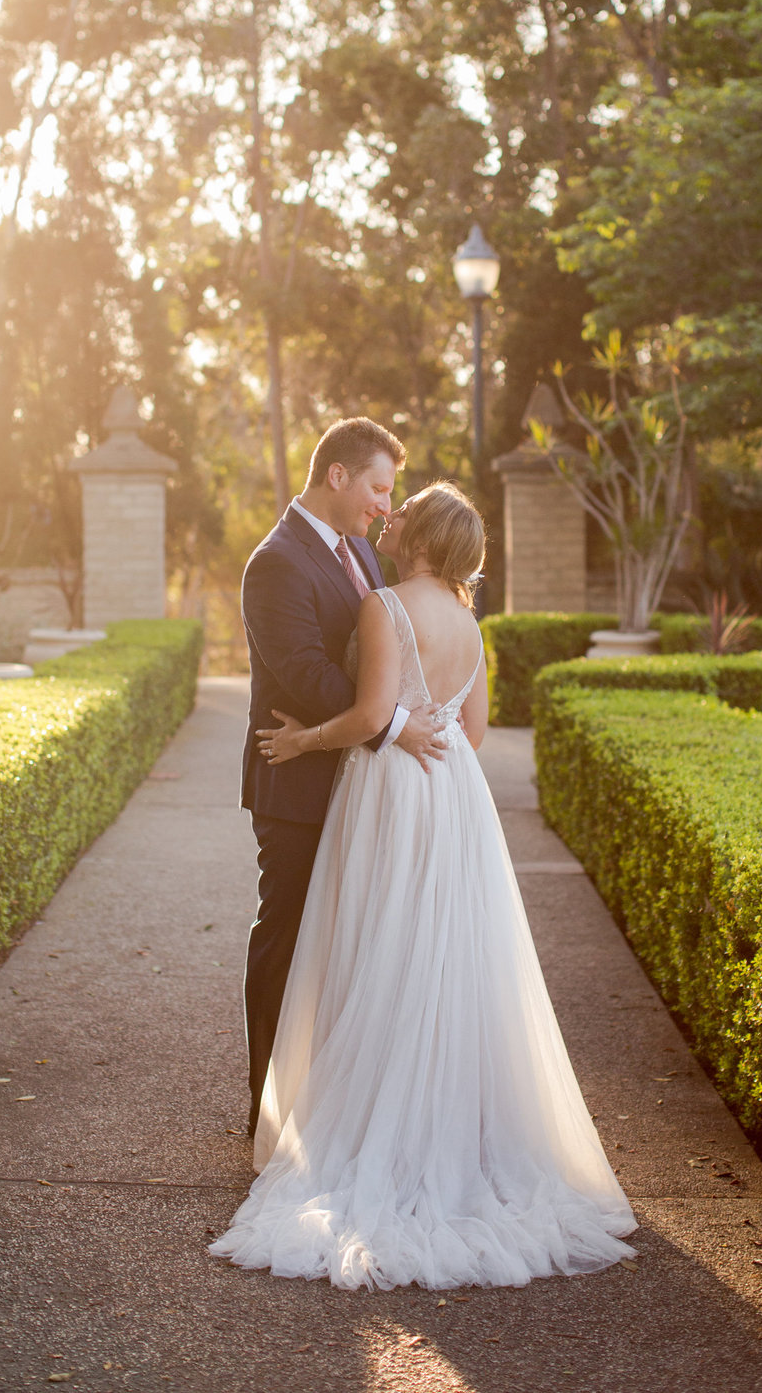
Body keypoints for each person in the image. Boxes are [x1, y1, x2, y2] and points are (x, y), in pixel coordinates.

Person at [212, 480, 637, 1290]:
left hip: (392, 792)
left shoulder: (385, 606)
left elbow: (373, 716)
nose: (390, 514)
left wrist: (304, 740)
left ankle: (371, 1124)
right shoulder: (471, 624)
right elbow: (470, 733)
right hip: (453, 798)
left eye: (405, 511)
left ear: (424, 537)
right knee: (442, 952)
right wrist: (426, 729)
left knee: (379, 943)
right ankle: (450, 1126)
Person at [238, 418, 448, 1139]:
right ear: (337, 475)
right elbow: (303, 674)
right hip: (295, 778)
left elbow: (383, 648)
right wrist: (391, 723)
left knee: (347, 941)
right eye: (378, 487)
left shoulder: (361, 545)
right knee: (287, 937)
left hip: (361, 783)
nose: (387, 506)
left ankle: (328, 1102)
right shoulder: (276, 563)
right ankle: (267, 1106)